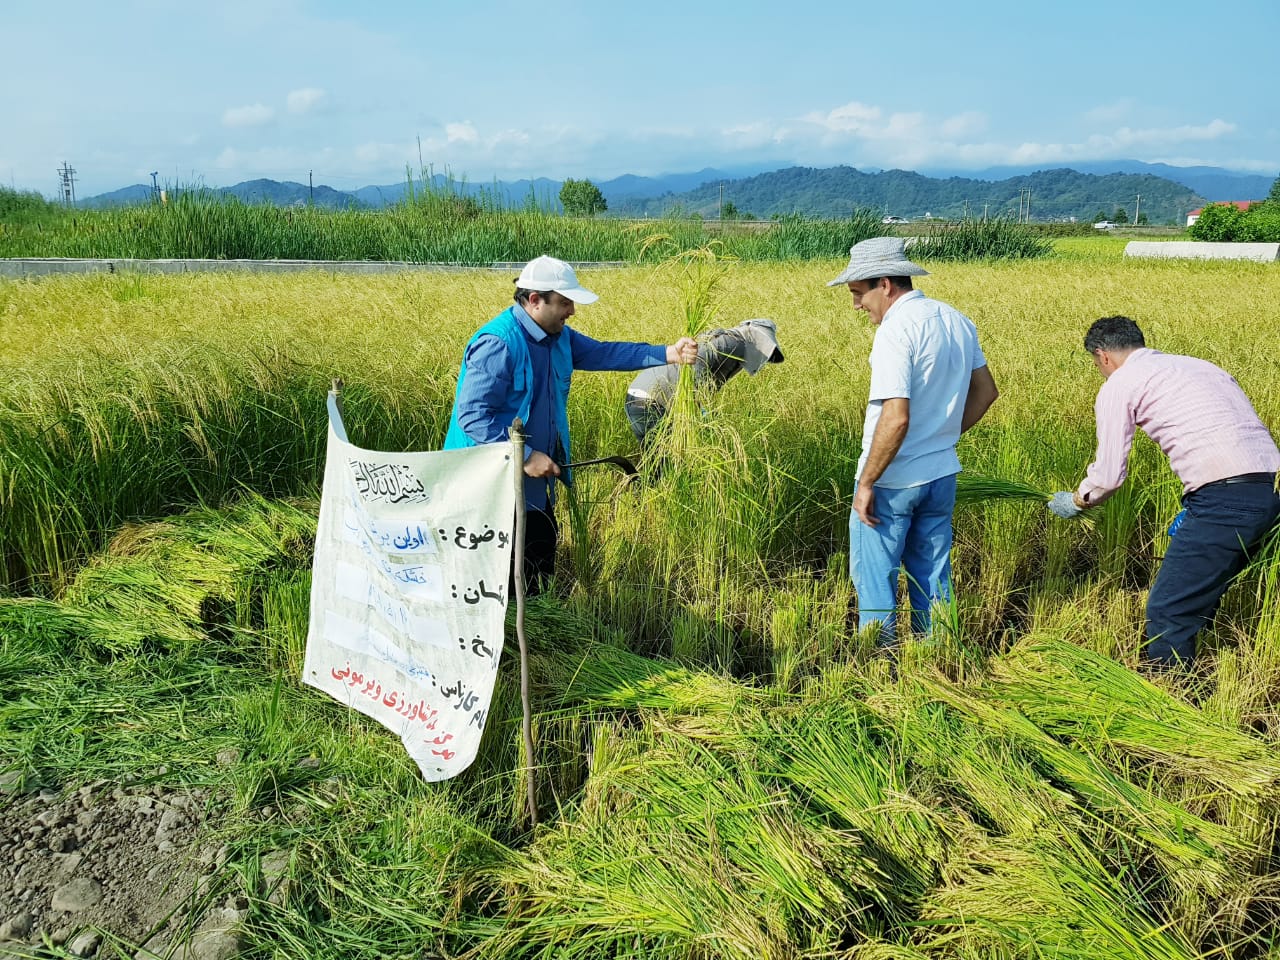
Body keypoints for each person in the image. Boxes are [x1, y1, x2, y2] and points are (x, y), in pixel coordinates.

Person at [443, 255, 698, 593]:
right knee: (495, 574)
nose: (572, 311)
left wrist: (669, 353)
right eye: (564, 302)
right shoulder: (498, 343)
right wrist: (527, 456)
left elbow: (605, 353)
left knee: (538, 552)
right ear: (535, 300)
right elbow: (473, 415)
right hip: (488, 483)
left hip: (533, 482)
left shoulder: (558, 336)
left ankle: (536, 629)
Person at [1047, 316, 1280, 668]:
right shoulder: (1201, 366)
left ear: (1102, 356)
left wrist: (1078, 500)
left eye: (1097, 365)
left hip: (1225, 500)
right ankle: (1207, 675)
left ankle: (1171, 697)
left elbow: (1109, 476)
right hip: (1269, 488)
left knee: (1169, 607)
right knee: (1202, 594)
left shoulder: (1120, 384)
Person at [830, 236, 999, 646]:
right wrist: (942, 435)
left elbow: (896, 416)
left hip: (894, 481)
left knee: (874, 582)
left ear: (884, 284)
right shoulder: (956, 319)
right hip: (941, 475)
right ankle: (938, 661)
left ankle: (879, 671)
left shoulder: (895, 331)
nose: (856, 305)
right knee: (933, 579)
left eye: (858, 293)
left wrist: (867, 482)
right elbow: (987, 392)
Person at [623, 318, 784, 444]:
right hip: (652, 399)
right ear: (756, 340)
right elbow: (697, 360)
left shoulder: (735, 348)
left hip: (639, 396)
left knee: (658, 461)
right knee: (665, 461)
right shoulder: (734, 342)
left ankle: (646, 485)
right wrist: (698, 406)